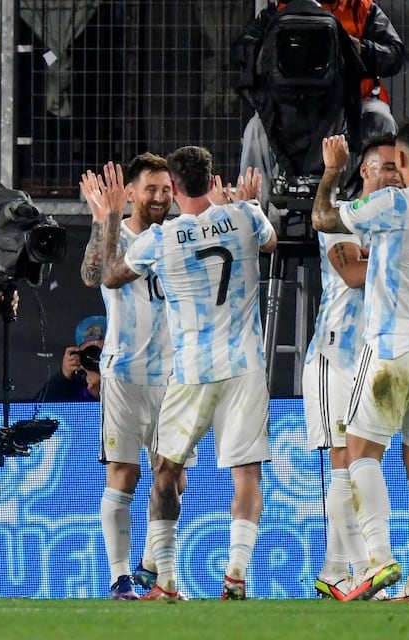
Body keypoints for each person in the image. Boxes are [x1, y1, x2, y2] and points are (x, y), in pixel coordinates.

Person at [99, 147, 277, 601]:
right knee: (247, 474)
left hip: (194, 368)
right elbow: (271, 242)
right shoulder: (242, 216)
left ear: (174, 189)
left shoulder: (163, 238)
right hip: (246, 366)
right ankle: (235, 576)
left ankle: (165, 580)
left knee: (165, 472)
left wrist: (110, 218)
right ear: (212, 178)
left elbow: (111, 274)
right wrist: (245, 201)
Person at [311, 116, 409, 602]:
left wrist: (332, 172)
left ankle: (378, 558)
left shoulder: (391, 201)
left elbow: (322, 219)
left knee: (359, 452)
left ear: (400, 160)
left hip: (390, 349)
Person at [79, 153, 196, 601]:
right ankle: (121, 578)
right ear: (130, 193)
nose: (161, 197)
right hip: (125, 374)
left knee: (174, 479)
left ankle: (154, 564)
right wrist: (104, 221)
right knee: (124, 475)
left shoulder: (175, 238)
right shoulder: (117, 235)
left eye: (167, 189)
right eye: (151, 189)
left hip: (173, 376)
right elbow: (94, 274)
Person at [304, 133, 404, 600]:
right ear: (364, 171)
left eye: (400, 167)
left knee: (363, 461)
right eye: (386, 167)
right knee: (343, 461)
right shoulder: (342, 218)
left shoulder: (398, 223)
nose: (396, 175)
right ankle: (353, 569)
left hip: (374, 359)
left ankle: (339, 571)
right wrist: (396, 261)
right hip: (333, 357)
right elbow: (352, 274)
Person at [240, 0, 405, 206]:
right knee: (255, 130)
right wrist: (268, 48)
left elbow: (395, 54)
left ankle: (363, 210)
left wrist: (359, 48)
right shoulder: (281, 9)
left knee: (382, 120)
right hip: (289, 109)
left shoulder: (361, 8)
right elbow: (243, 46)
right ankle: (253, 217)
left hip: (351, 106)